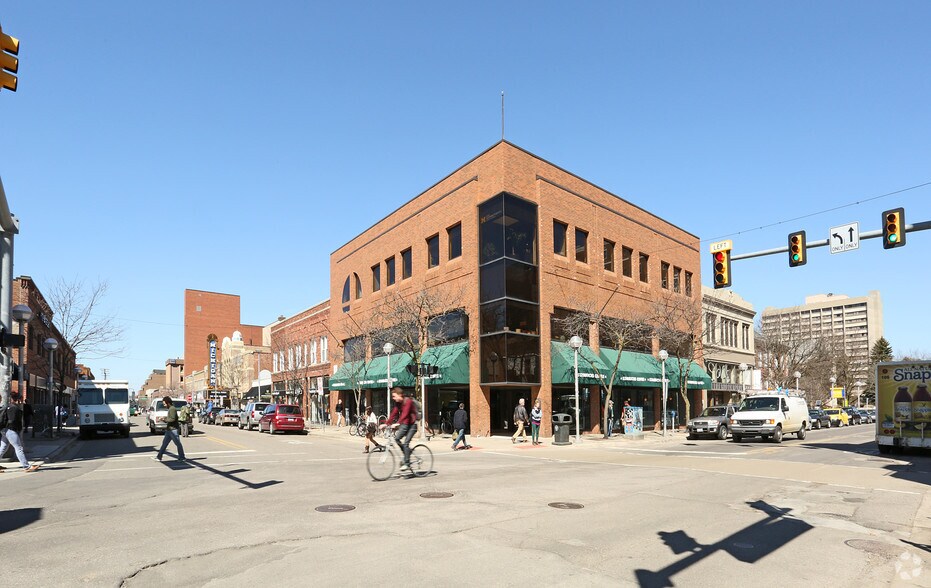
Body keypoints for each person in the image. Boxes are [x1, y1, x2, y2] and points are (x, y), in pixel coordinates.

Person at [0, 392, 40, 473]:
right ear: (17, 399)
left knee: (3, 447)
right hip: (10, 430)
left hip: (4, 429)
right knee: (18, 448)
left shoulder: (6, 407)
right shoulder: (14, 408)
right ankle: (26, 466)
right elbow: (14, 421)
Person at [382, 388, 418, 470]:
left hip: (412, 425)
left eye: (394, 396)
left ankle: (407, 463)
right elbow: (393, 413)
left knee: (406, 443)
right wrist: (386, 424)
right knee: (397, 439)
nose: (393, 398)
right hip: (405, 424)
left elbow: (405, 414)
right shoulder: (398, 403)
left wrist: (398, 423)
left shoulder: (408, 401)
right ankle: (406, 454)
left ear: (400, 395)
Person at [155, 396, 185, 462]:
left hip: (173, 430)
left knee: (178, 444)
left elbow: (172, 419)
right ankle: (159, 457)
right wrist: (164, 419)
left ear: (168, 402)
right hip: (169, 430)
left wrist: (164, 419)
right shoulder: (170, 409)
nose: (164, 405)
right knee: (164, 444)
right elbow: (170, 418)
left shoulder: (172, 409)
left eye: (164, 404)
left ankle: (182, 457)